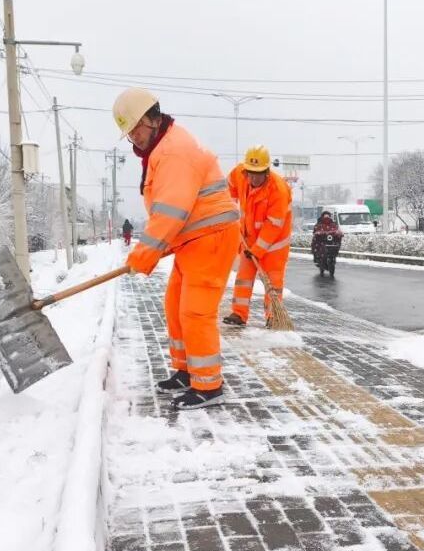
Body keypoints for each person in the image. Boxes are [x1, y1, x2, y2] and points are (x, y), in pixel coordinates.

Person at [113, 88, 241, 410]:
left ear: (152, 119)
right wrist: (154, 250)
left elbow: (171, 211)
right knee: (174, 306)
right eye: (129, 133)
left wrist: (143, 255)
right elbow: (174, 214)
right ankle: (187, 371)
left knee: (195, 312)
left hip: (211, 239)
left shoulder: (174, 151)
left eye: (136, 128)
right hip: (194, 241)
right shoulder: (163, 148)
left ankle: (209, 385)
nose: (133, 137)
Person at [222, 146, 293, 327]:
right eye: (250, 173)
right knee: (244, 278)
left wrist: (258, 250)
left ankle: (273, 317)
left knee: (273, 282)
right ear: (245, 170)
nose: (253, 178)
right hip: (249, 240)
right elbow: (227, 186)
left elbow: (273, 225)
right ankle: (239, 314)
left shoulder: (278, 190)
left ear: (267, 171)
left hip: (275, 245)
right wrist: (229, 206)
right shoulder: (240, 174)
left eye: (258, 174)